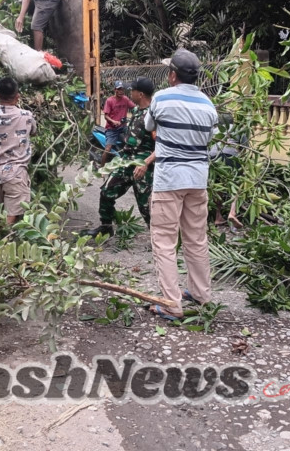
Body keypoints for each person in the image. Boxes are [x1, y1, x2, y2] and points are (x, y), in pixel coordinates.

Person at [144, 49, 218, 321]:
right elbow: (210, 138)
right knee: (196, 238)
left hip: (169, 180)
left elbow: (149, 126)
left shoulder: (161, 98)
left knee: (164, 241)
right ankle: (200, 294)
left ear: (173, 75)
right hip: (198, 180)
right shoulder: (208, 105)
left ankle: (171, 304)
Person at [86, 78, 156, 237]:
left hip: (142, 167)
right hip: (126, 162)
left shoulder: (153, 115)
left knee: (146, 206)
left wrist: (146, 163)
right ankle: (106, 227)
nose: (130, 93)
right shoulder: (137, 110)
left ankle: (159, 239)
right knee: (106, 192)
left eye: (132, 90)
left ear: (140, 94)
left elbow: (162, 145)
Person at [0, 70, 37, 225]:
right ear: (18, 96)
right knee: (12, 216)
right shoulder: (26, 116)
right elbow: (34, 132)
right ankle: (2, 237)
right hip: (15, 174)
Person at [100, 81, 136, 167]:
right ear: (115, 90)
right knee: (108, 149)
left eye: (122, 89)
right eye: (119, 89)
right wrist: (113, 121)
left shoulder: (125, 99)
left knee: (134, 141)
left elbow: (134, 108)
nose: (121, 91)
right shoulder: (109, 100)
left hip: (123, 127)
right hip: (112, 129)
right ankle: (102, 168)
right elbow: (106, 116)